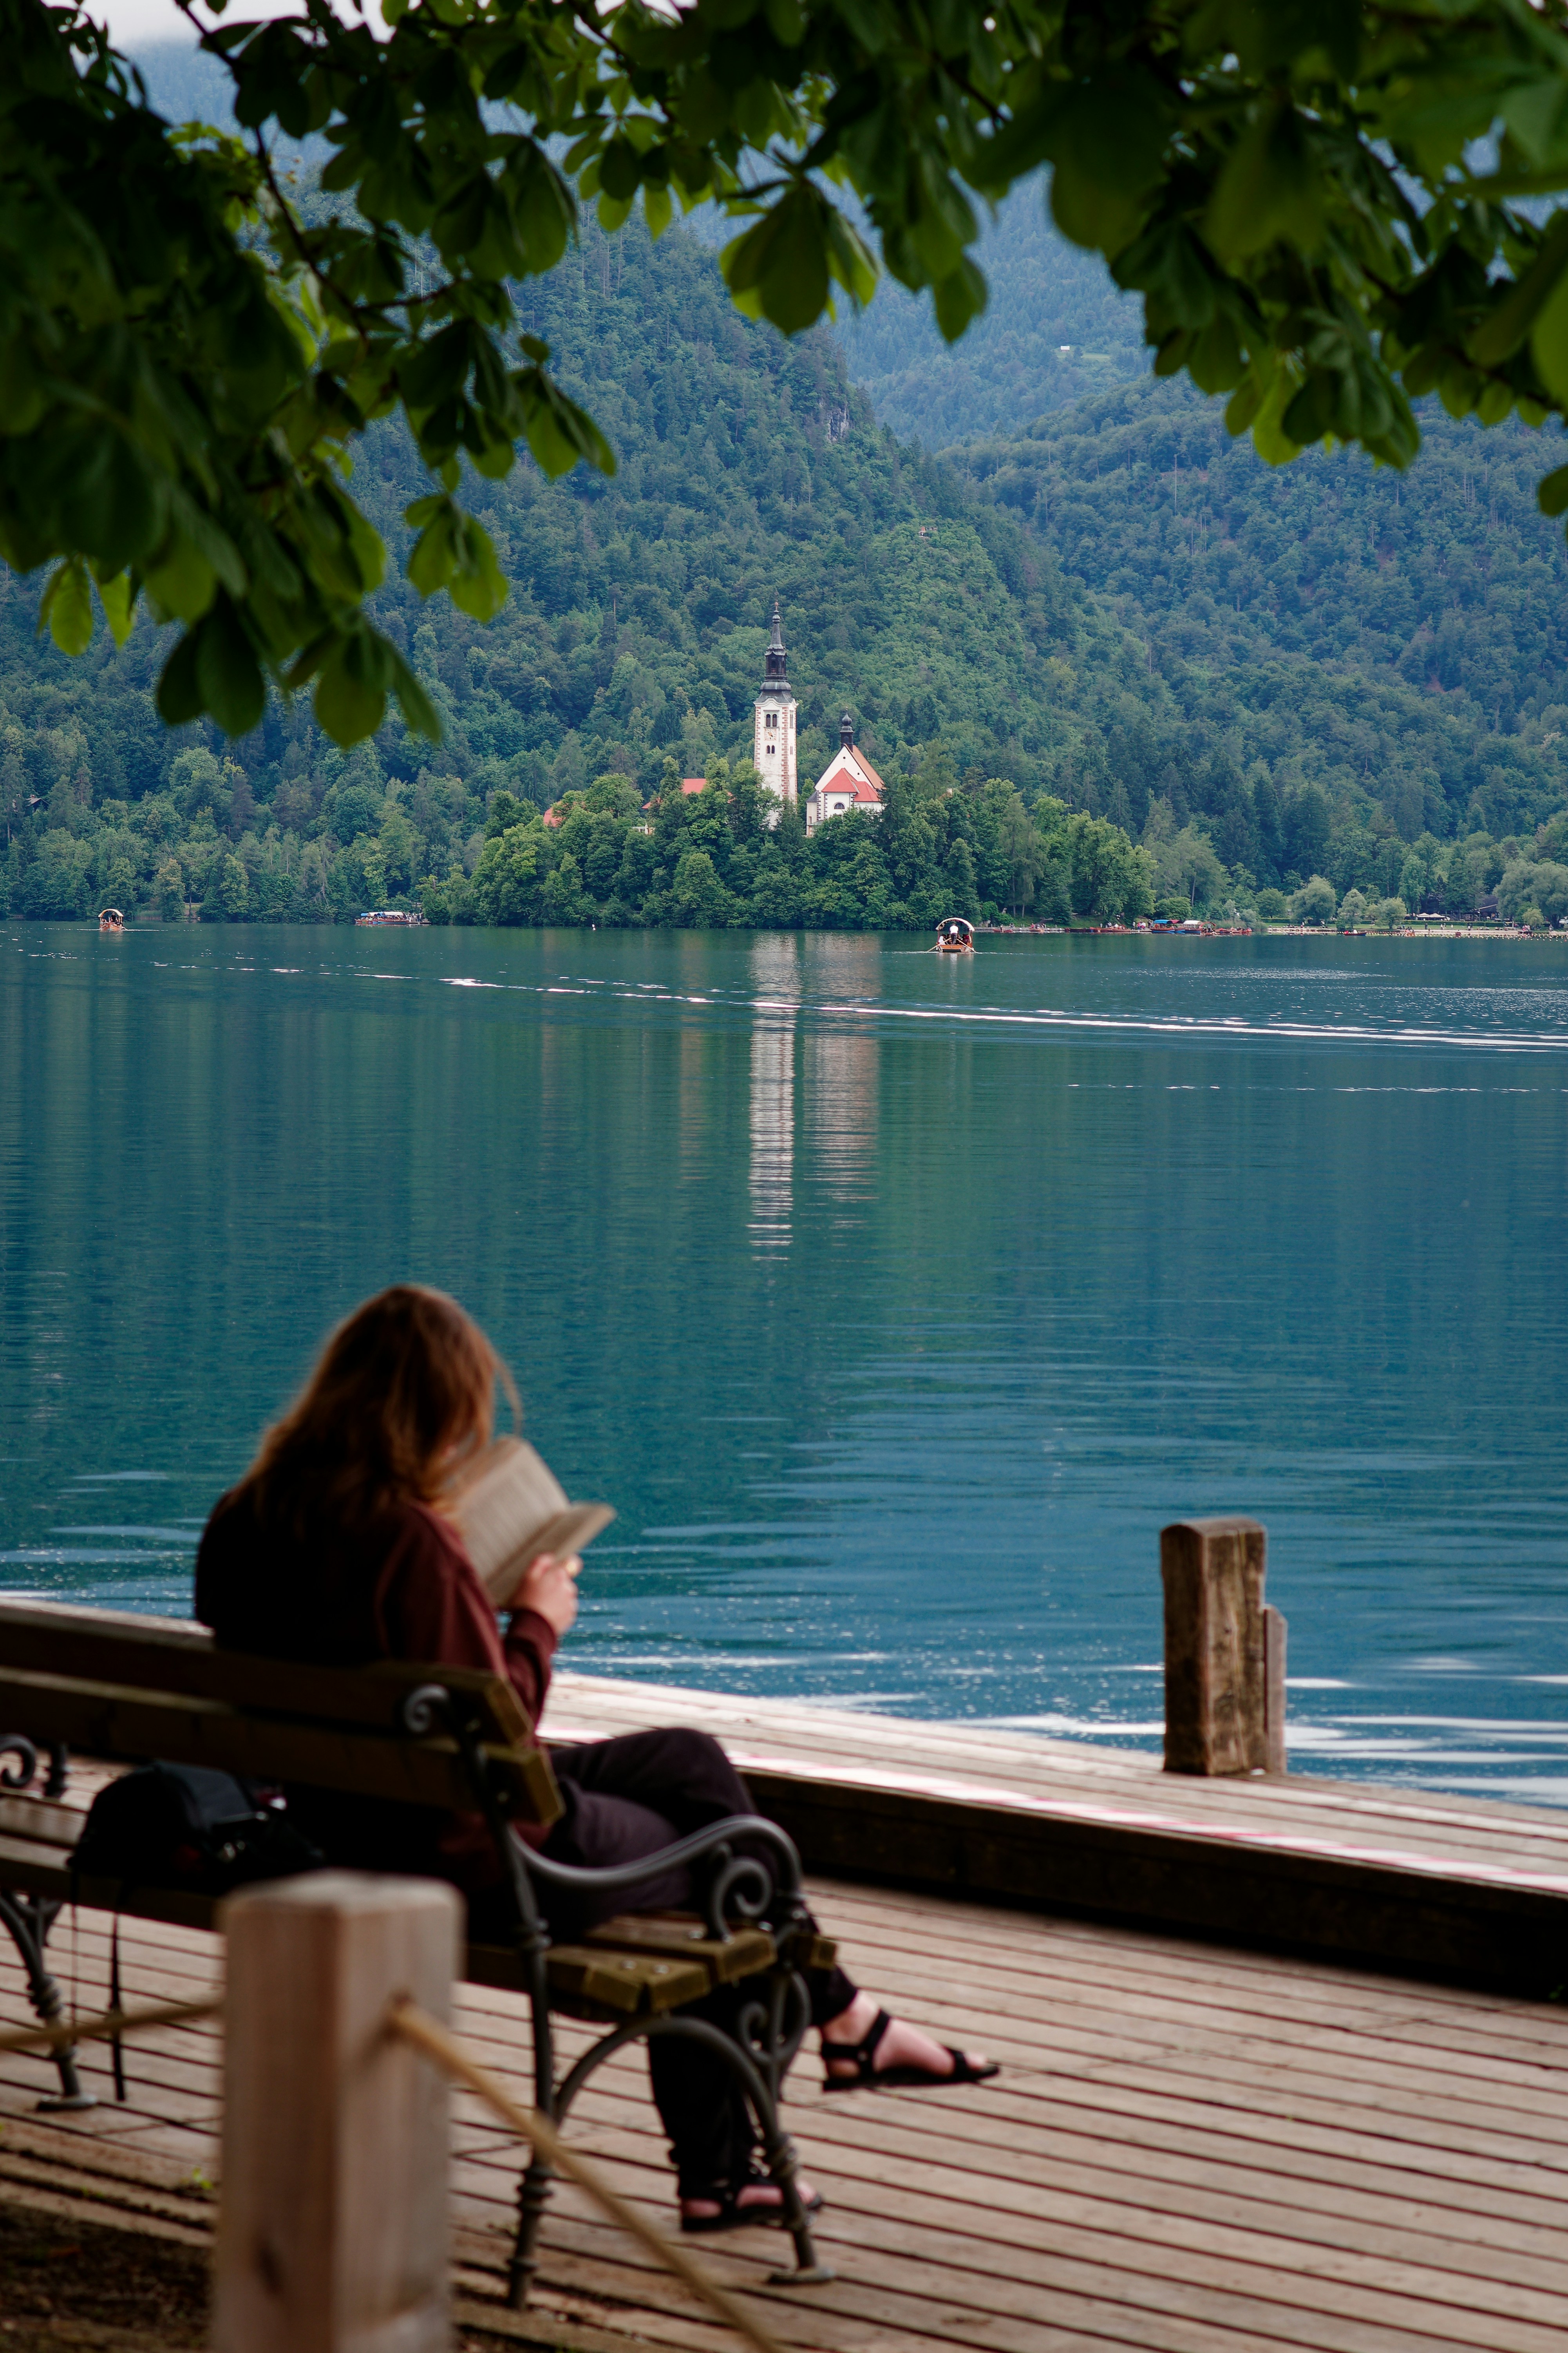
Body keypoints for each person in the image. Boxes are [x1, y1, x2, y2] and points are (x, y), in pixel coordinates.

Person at [195, 1285, 996, 2232]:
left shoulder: (244, 1520)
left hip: (341, 1826)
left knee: (691, 1762)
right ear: (441, 1411)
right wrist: (537, 1621)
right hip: (476, 1852)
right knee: (734, 1851)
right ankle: (765, 2121)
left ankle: (840, 2033)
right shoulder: (406, 1541)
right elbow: (499, 1735)